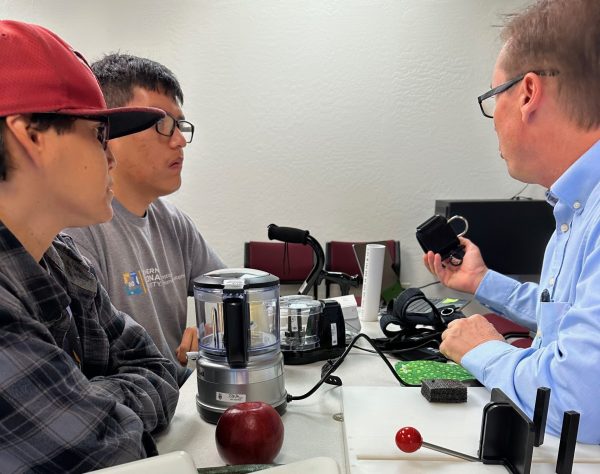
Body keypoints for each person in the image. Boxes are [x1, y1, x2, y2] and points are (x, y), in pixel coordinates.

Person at [0, 20, 179, 471]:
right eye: (99, 135)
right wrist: (97, 408)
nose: (111, 156)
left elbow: (156, 365)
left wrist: (87, 399)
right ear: (31, 136)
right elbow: (106, 448)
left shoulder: (62, 259)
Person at [423, 0, 600, 444]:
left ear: (527, 93)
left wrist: (484, 349)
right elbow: (566, 318)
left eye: (492, 97)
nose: (493, 122)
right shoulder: (576, 208)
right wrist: (480, 281)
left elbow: (577, 400)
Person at [65, 54, 225, 387]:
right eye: (162, 124)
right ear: (110, 130)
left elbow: (233, 293)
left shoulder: (173, 223)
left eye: (180, 125)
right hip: (131, 406)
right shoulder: (75, 232)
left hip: (176, 396)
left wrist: (215, 326)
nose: (179, 140)